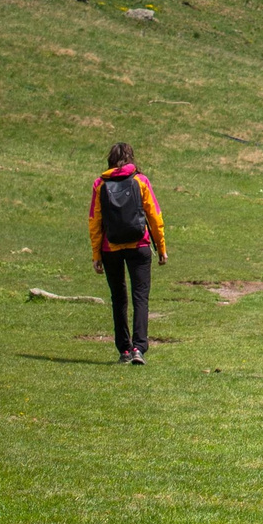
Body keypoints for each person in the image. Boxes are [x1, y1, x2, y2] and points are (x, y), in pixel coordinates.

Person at [89, 141, 167, 364]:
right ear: (131, 159)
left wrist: (96, 255)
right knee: (140, 297)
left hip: (110, 248)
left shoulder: (100, 184)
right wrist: (161, 247)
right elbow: (154, 216)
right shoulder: (141, 181)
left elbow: (95, 222)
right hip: (139, 245)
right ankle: (139, 349)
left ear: (110, 161)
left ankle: (123, 349)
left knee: (118, 298)